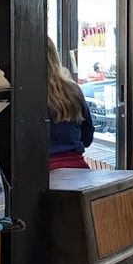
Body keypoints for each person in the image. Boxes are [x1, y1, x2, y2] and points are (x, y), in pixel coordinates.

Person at [47, 37, 94, 171]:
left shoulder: (22, 94)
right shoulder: (73, 89)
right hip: (78, 170)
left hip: (42, 175)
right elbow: (87, 138)